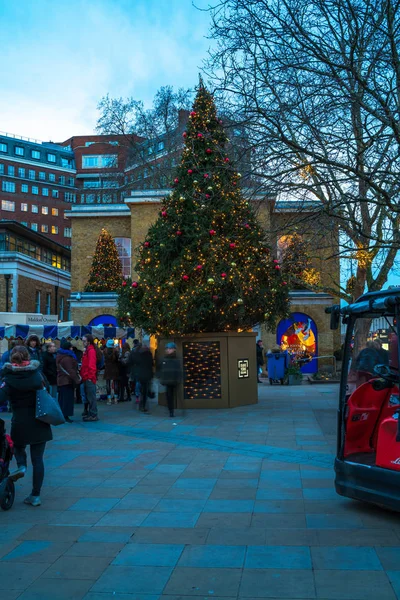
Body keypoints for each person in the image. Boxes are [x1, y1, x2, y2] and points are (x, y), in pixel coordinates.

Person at [0, 345, 52, 506]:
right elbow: (48, 389)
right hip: (40, 419)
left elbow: (1, 398)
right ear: (28, 357)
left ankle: (21, 466)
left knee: (17, 447)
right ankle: (35, 495)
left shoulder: (8, 378)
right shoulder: (37, 375)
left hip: (20, 420)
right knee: (38, 459)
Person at [56, 340, 81, 422]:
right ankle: (65, 416)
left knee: (62, 399)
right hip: (67, 381)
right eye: (71, 347)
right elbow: (70, 370)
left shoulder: (60, 356)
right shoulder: (67, 358)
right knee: (67, 399)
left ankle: (62, 415)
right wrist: (77, 380)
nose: (72, 348)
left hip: (61, 380)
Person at [159, 342, 182, 418]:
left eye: (170, 349)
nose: (168, 350)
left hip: (174, 380)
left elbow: (179, 370)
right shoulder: (164, 359)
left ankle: (172, 410)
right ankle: (171, 411)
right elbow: (161, 370)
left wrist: (178, 379)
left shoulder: (176, 359)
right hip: (167, 381)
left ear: (173, 350)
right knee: (169, 396)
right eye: (167, 349)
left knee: (172, 396)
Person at [81, 334, 98, 421]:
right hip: (86, 377)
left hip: (89, 378)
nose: (83, 342)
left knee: (91, 397)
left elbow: (92, 365)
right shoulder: (88, 351)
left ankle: (93, 415)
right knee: (89, 397)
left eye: (84, 341)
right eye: (82, 341)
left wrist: (89, 377)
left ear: (88, 341)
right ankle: (91, 414)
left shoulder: (91, 351)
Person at [136, 344, 154, 413]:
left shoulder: (139, 355)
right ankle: (143, 405)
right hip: (147, 375)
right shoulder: (149, 355)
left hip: (141, 375)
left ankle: (142, 405)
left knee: (143, 390)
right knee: (145, 390)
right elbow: (152, 364)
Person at [103, 340, 120, 405]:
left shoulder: (105, 351)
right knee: (115, 383)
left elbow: (103, 359)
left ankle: (109, 399)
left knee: (108, 383)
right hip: (114, 368)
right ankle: (115, 399)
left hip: (107, 368)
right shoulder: (115, 351)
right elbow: (117, 359)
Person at [128, 339, 141, 404]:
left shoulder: (133, 350)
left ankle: (137, 396)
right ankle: (139, 394)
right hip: (140, 368)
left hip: (135, 368)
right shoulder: (141, 350)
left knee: (136, 382)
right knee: (139, 382)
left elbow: (130, 360)